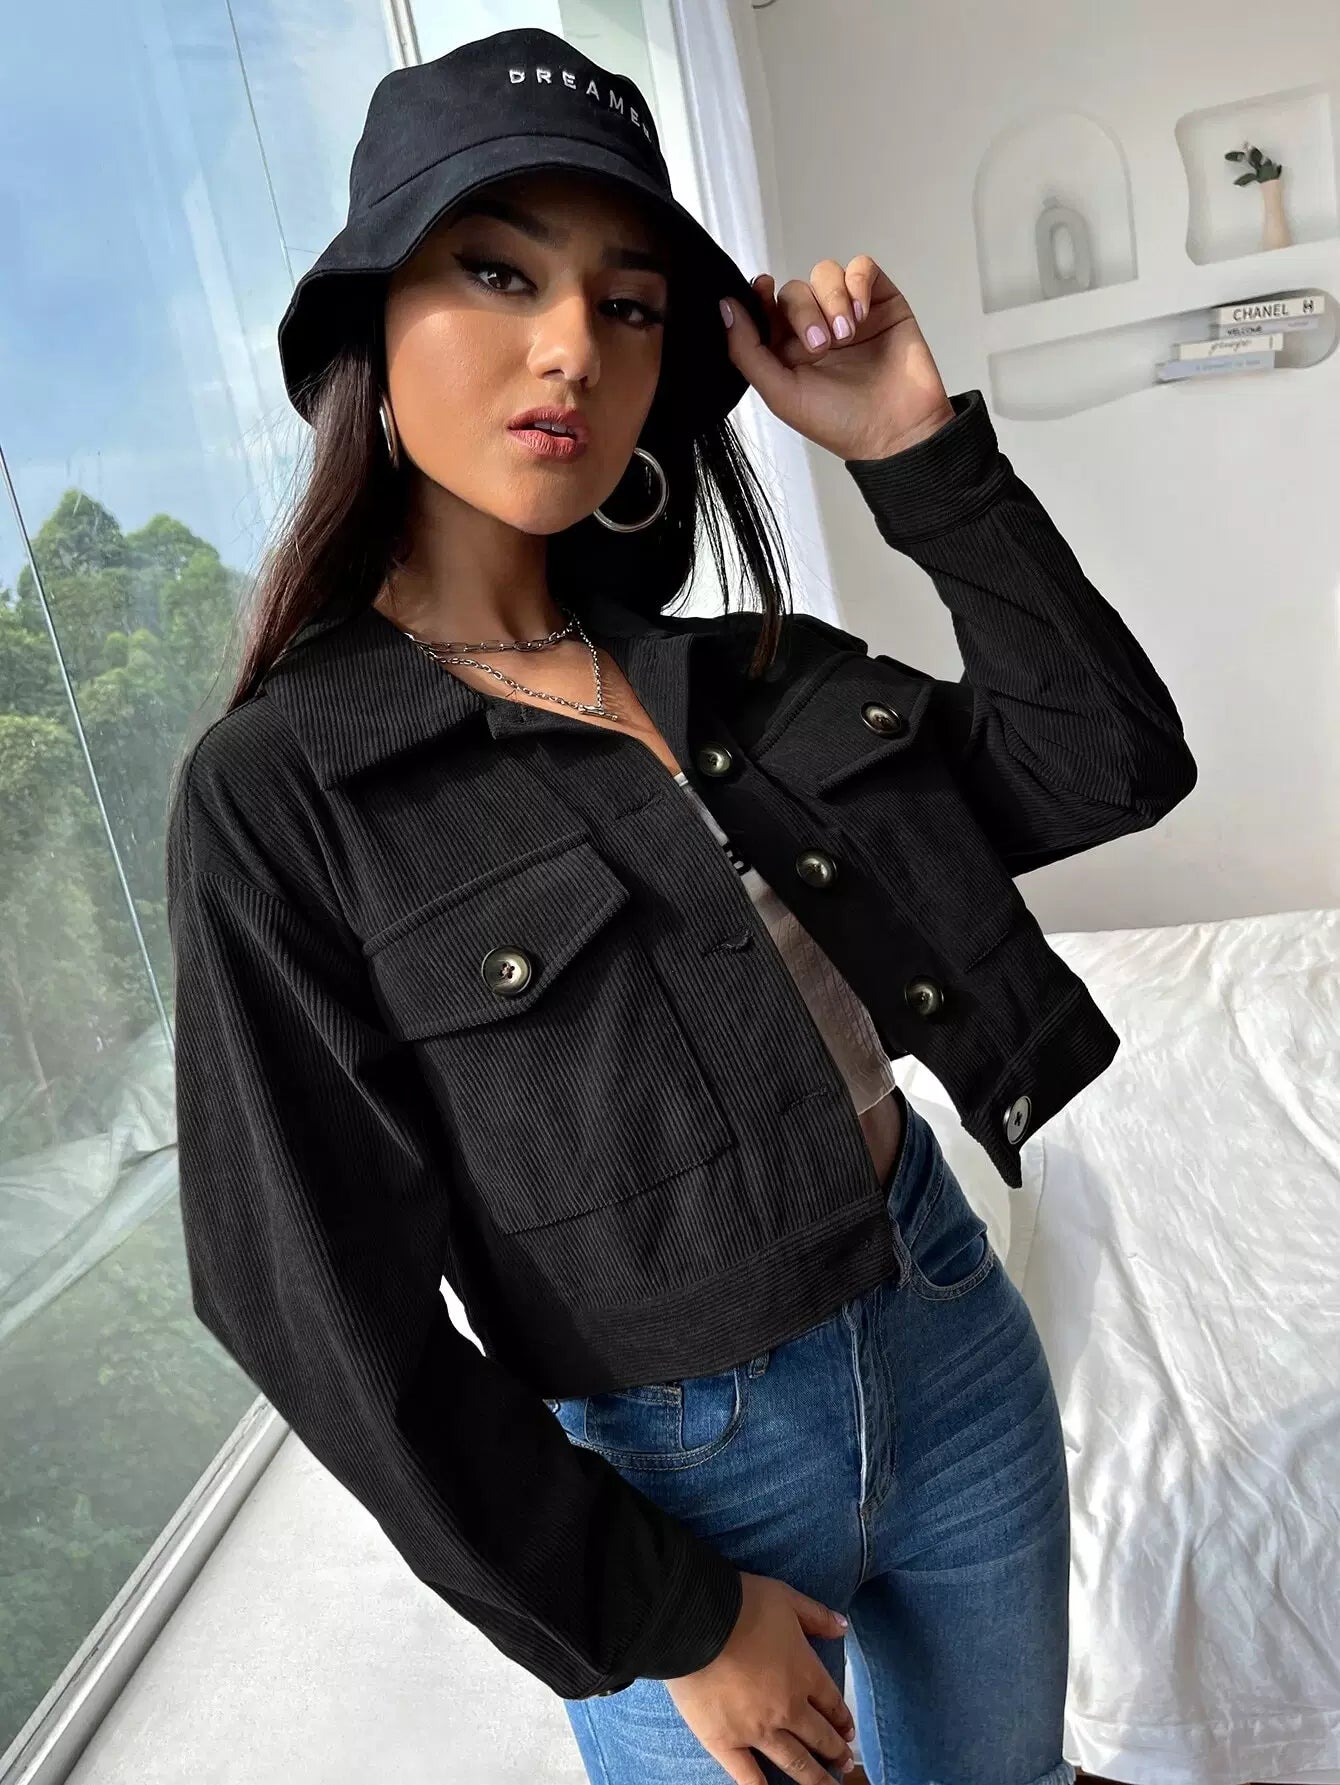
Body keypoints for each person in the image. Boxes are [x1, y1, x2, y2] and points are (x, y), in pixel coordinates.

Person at [163, 27, 1196, 1785]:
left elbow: (1108, 760)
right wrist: (668, 1614)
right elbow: (312, 1307)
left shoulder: (756, 677)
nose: (573, 344)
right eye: (500, 273)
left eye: (630, 303)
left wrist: (913, 448)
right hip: (677, 1481)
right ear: (370, 326)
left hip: (950, 1335)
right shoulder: (283, 792)